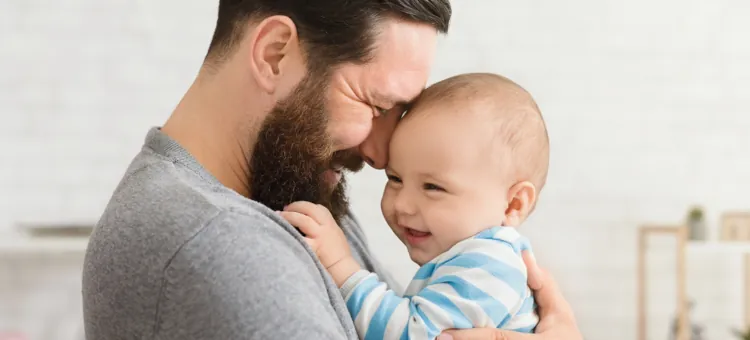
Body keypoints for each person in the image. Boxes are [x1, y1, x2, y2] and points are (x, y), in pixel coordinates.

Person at [81, 1, 582, 339]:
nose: (383, 152)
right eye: (375, 104)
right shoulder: (220, 242)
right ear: (274, 53)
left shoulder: (290, 191)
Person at [279, 73, 546, 339]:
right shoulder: (472, 260)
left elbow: (412, 334)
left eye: (433, 187)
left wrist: (341, 267)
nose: (402, 205)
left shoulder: (491, 266)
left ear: (512, 204)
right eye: (394, 179)